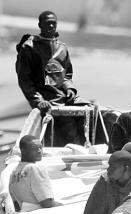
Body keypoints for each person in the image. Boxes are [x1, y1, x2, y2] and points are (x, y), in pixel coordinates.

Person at [15, 11, 84, 145]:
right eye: (48, 23)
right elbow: (25, 80)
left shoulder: (62, 48)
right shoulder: (29, 47)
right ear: (40, 25)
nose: (51, 26)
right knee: (53, 135)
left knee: (92, 112)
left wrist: (69, 89)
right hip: (45, 100)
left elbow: (67, 75)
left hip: (63, 98)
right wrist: (38, 101)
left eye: (54, 23)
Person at [9, 134, 61, 211]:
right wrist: (64, 205)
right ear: (23, 150)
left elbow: (16, 205)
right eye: (34, 148)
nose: (39, 151)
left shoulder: (13, 173)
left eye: (40, 147)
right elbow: (47, 203)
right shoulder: (35, 169)